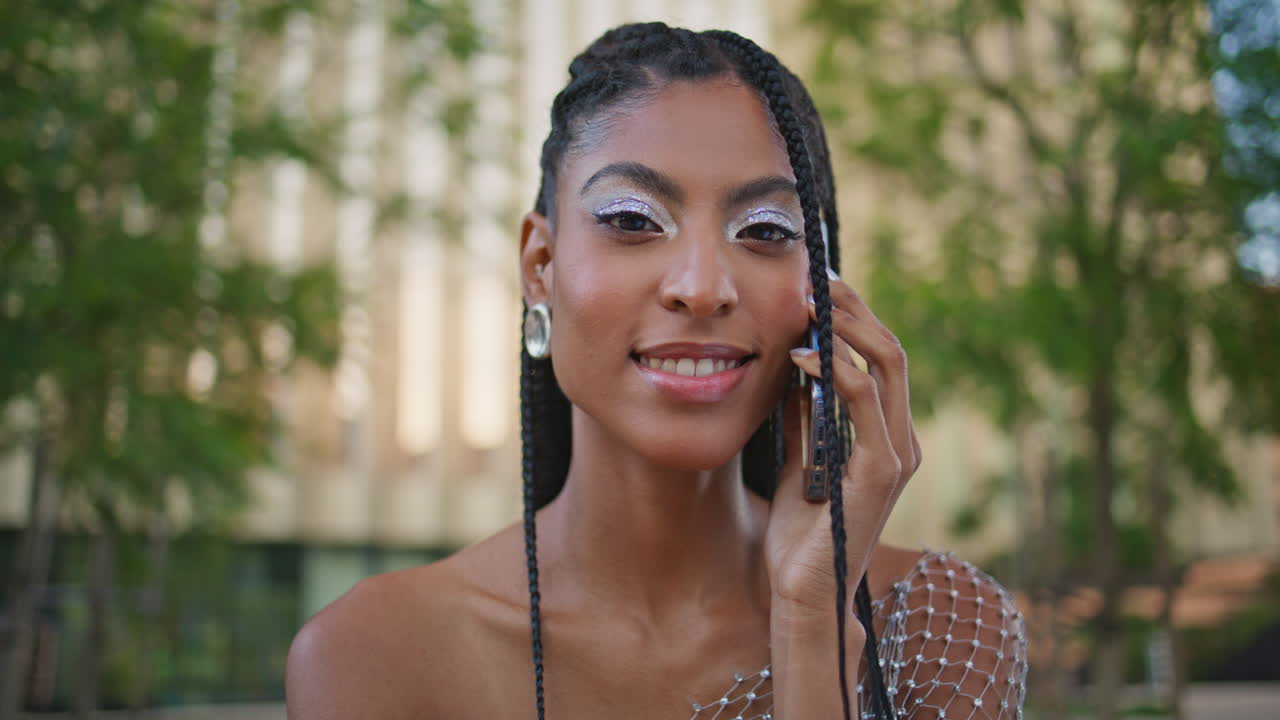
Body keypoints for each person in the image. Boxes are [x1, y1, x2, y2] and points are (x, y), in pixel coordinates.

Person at [286, 22, 1027, 720]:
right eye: (634, 221)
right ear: (540, 268)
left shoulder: (938, 627)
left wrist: (813, 627)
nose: (702, 288)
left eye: (765, 230)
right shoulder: (377, 654)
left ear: (822, 284)